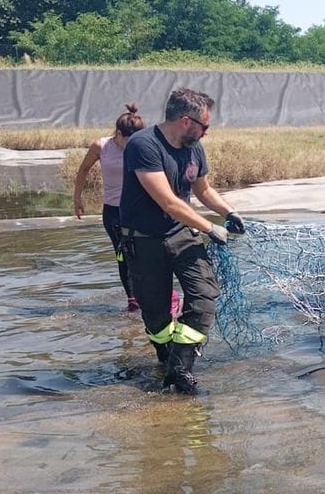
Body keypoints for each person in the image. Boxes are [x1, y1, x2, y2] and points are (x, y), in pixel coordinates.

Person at [119, 87, 246, 395]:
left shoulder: (194, 148)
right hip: (144, 240)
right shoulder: (143, 145)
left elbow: (203, 191)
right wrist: (210, 228)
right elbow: (168, 202)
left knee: (204, 296)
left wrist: (229, 212)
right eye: (205, 127)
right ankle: (166, 359)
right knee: (156, 315)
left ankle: (180, 368)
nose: (207, 133)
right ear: (186, 121)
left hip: (181, 234)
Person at [73, 104, 182, 318]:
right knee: (123, 255)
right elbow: (84, 169)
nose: (133, 144)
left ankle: (168, 295)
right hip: (114, 211)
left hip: (142, 209)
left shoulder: (146, 145)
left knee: (150, 253)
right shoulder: (101, 146)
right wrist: (77, 197)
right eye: (128, 140)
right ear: (118, 134)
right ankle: (133, 300)